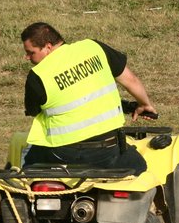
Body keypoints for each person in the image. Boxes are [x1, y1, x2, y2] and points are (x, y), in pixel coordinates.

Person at [20, 22, 157, 174]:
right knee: (140, 168)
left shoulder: (38, 75)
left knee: (28, 162)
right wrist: (144, 104)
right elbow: (131, 81)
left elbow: (34, 111)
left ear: (48, 46)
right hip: (108, 151)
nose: (26, 57)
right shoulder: (94, 47)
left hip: (62, 155)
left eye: (31, 52)